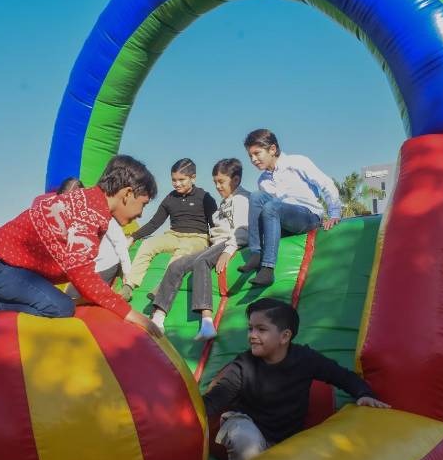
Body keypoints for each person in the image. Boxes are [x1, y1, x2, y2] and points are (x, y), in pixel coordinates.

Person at [0, 155, 163, 337]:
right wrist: (130, 313)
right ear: (127, 193)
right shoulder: (88, 212)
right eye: (143, 205)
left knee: (67, 302)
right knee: (61, 308)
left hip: (8, 266)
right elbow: (81, 271)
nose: (140, 214)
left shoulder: (91, 204)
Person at [203, 298, 389, 460]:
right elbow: (217, 397)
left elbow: (341, 376)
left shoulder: (304, 359)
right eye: (250, 328)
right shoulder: (244, 365)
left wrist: (364, 393)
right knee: (244, 437)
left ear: (285, 336)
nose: (252, 335)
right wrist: (191, 416)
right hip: (245, 424)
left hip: (284, 441)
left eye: (261, 329)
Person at [150, 158, 250, 340]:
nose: (218, 187)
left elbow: (243, 230)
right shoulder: (225, 202)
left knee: (201, 261)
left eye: (221, 182)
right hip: (215, 243)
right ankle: (158, 316)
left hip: (228, 242)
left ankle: (206, 322)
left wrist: (228, 251)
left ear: (235, 180)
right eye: (215, 183)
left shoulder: (241, 199)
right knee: (177, 265)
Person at [238, 129, 342, 287]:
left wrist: (334, 213)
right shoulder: (263, 180)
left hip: (308, 216)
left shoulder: (297, 162)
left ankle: (267, 269)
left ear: (272, 149)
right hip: (283, 218)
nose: (253, 159)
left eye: (257, 153)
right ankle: (256, 252)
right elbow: (268, 212)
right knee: (256, 196)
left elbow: (325, 183)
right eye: (250, 156)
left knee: (272, 206)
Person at [119, 158, 217, 301]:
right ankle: (129, 286)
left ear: (193, 178)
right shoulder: (170, 198)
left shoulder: (205, 197)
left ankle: (163, 287)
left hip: (198, 237)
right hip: (173, 235)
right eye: (174, 180)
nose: (177, 184)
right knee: (148, 244)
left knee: (184, 250)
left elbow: (215, 224)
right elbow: (154, 223)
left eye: (181, 180)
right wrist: (133, 237)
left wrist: (217, 246)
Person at [56, 178, 133, 298]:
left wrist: (127, 274)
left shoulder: (98, 210)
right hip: (86, 268)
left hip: (104, 265)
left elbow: (120, 242)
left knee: (71, 299)